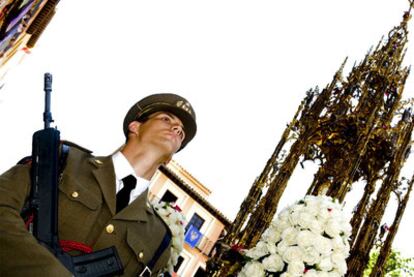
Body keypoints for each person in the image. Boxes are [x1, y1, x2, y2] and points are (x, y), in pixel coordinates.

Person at [0, 93, 197, 277]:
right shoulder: (63, 161)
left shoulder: (159, 238)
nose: (177, 129)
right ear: (135, 127)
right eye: (166, 119)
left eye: (182, 132)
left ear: (169, 160)